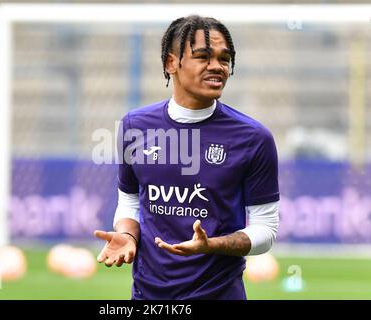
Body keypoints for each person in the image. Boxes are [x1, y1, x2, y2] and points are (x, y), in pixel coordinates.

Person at [94, 15, 280, 300]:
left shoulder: (254, 138)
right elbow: (130, 202)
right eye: (203, 56)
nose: (217, 66)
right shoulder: (135, 126)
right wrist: (128, 235)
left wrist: (211, 245)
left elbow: (265, 230)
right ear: (172, 64)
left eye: (224, 58)